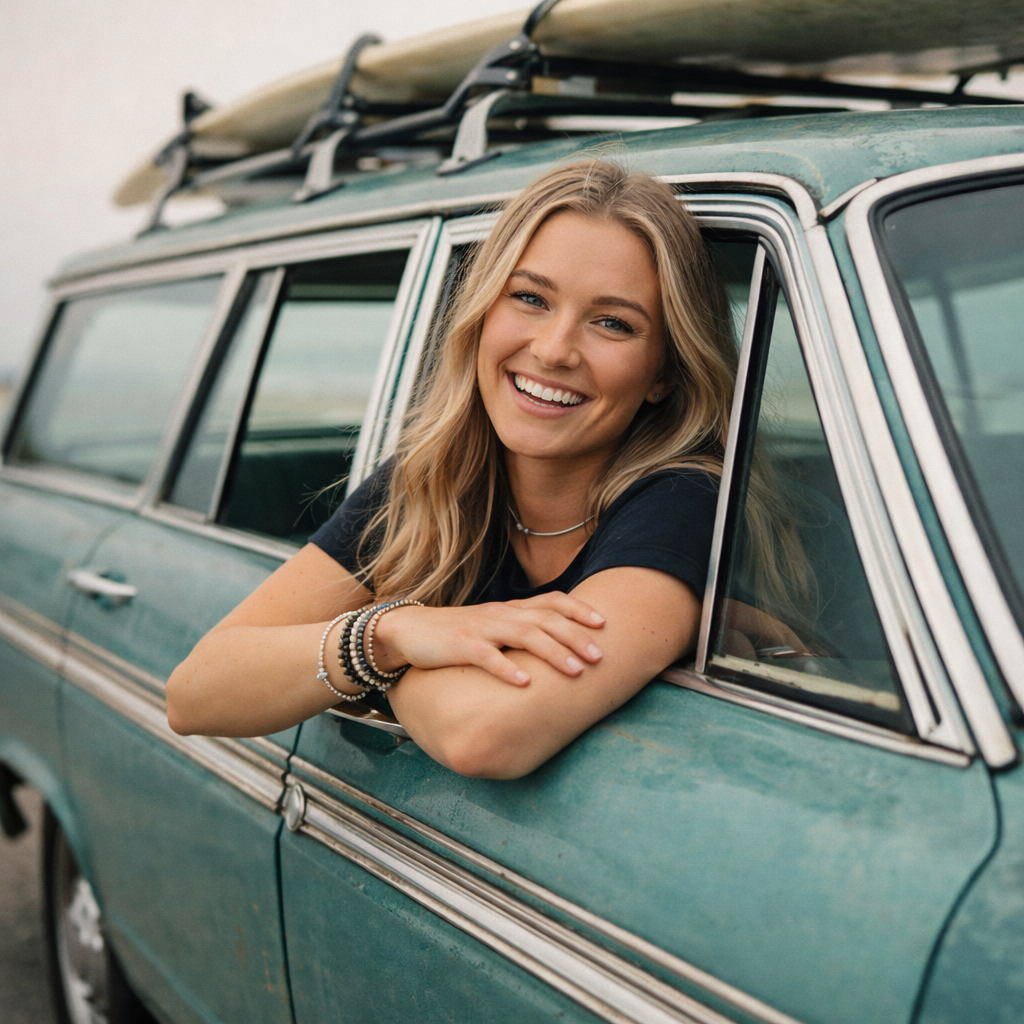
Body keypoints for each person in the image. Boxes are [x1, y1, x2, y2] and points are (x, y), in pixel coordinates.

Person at [166, 160, 737, 779]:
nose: (552, 349)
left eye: (612, 323)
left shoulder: (688, 505)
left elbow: (481, 732)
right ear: (483, 312)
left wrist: (384, 648)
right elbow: (195, 691)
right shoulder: (435, 477)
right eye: (529, 298)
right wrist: (393, 633)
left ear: (664, 373)